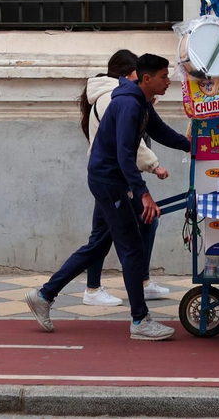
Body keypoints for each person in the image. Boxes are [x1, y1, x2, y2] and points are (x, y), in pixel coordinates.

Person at [26, 52, 192, 340]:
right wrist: (144, 195)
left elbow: (160, 131)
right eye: (164, 77)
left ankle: (44, 294)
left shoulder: (140, 101)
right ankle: (140, 321)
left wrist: (191, 146)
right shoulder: (128, 104)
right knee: (131, 247)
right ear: (147, 78)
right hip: (109, 182)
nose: (169, 82)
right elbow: (125, 154)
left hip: (108, 180)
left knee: (99, 245)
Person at [77, 50, 172, 307]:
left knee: (108, 233)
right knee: (107, 237)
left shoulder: (126, 97)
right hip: (112, 178)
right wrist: (153, 166)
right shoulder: (117, 99)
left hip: (115, 176)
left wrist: (188, 145)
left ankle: (133, 284)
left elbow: (154, 130)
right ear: (131, 75)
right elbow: (128, 146)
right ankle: (86, 289)